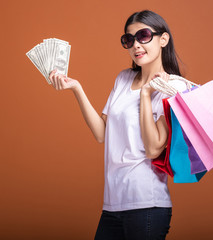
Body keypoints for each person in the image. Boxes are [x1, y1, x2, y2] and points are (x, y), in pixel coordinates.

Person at [49, 10, 182, 240]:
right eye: (129, 40)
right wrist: (76, 88)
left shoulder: (173, 87)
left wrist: (145, 94)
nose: (136, 45)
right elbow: (102, 133)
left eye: (143, 36)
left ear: (163, 39)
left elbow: (153, 149)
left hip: (147, 204)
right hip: (113, 204)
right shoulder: (123, 79)